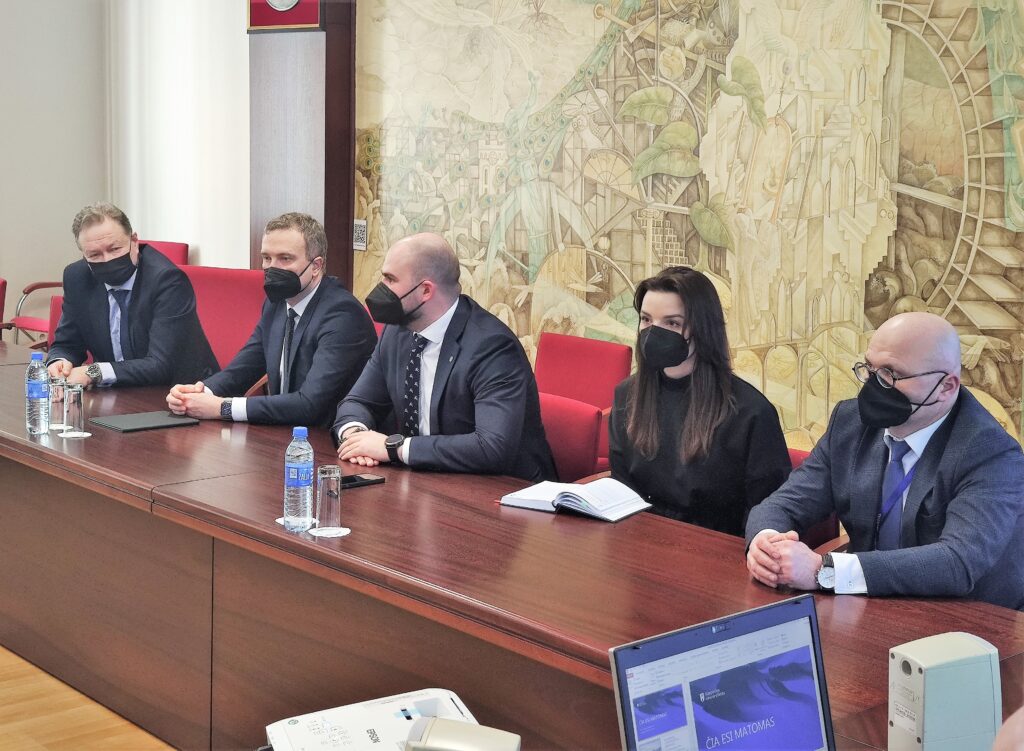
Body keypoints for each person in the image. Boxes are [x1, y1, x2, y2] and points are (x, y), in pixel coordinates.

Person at [745, 312, 1024, 610]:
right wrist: (767, 544)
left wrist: (823, 570)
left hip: (966, 617)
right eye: (870, 368)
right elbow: (784, 504)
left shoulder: (991, 453)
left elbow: (957, 562)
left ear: (946, 386)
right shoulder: (850, 423)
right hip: (868, 604)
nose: (873, 386)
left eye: (891, 374)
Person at [333, 232, 556, 482]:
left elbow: (492, 447)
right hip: (424, 481)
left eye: (390, 279)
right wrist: (355, 436)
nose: (380, 287)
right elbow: (358, 401)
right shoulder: (396, 333)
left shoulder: (492, 347)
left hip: (503, 489)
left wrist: (395, 448)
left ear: (425, 290)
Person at [608, 266, 790, 536]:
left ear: (703, 329)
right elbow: (622, 490)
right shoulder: (627, 396)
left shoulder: (750, 413)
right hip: (640, 543)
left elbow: (767, 513)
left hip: (717, 549)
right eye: (646, 320)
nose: (653, 333)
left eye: (672, 323)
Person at [166, 213, 376, 427]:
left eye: (285, 258)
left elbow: (310, 404)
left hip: (328, 438)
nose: (272, 267)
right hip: (282, 432)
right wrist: (198, 393)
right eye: (267, 258)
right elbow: (243, 369)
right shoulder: (276, 304)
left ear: (316, 266)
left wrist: (223, 407)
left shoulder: (342, 315)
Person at [47, 203, 218, 388]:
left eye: (114, 249)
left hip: (181, 392)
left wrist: (94, 372)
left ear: (134, 241)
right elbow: (67, 343)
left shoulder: (166, 280)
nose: (107, 260)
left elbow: (161, 365)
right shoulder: (78, 278)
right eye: (95, 255)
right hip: (117, 392)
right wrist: (60, 362)